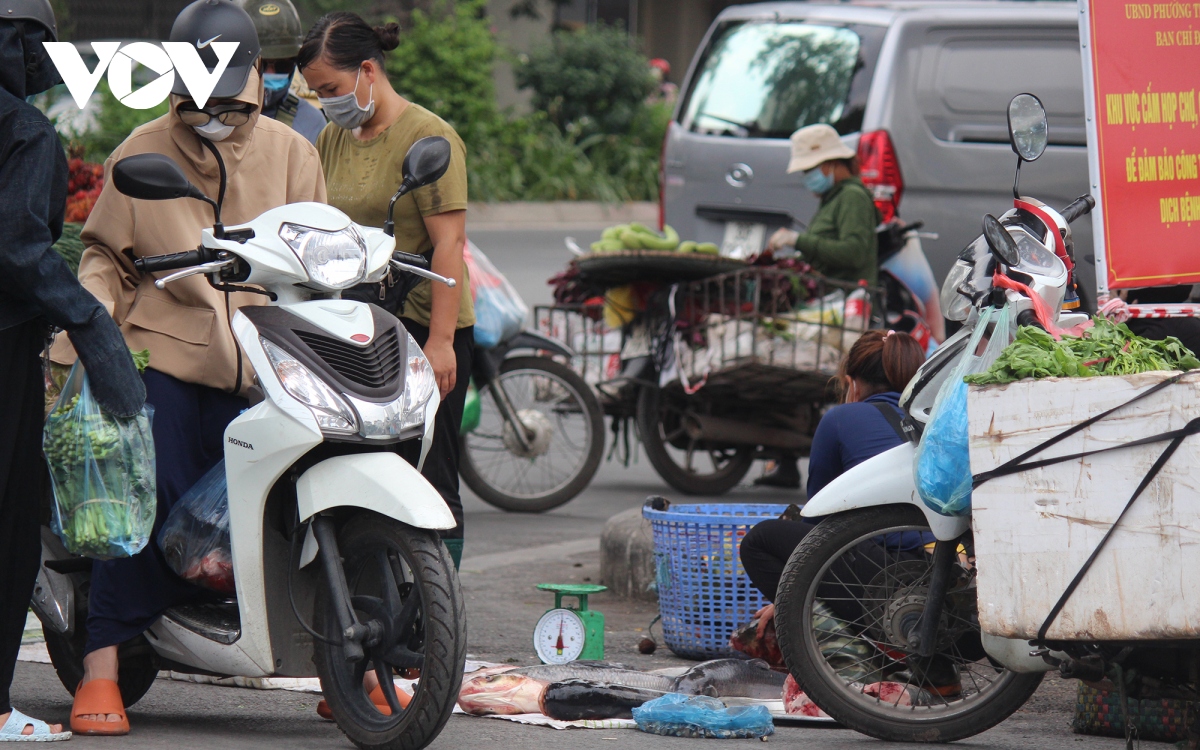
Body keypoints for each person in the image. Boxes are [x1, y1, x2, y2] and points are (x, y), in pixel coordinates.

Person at [49, 0, 326, 735]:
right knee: (142, 497)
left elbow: (317, 247)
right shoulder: (142, 146)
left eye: (229, 93)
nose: (215, 110)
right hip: (167, 354)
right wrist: (90, 333)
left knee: (312, 494)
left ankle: (352, 659)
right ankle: (102, 663)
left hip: (272, 361)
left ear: (256, 78)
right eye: (199, 93)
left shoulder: (294, 151)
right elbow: (105, 255)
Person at [0, 1, 146, 741]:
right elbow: (20, 249)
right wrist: (89, 323)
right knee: (9, 523)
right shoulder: (23, 132)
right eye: (33, 48)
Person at [298, 12, 474, 569]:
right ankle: (373, 614)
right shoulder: (331, 137)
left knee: (432, 471)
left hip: (425, 327)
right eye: (319, 93)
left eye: (331, 88)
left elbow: (450, 245)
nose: (327, 102)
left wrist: (441, 342)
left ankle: (433, 623)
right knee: (360, 468)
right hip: (358, 327)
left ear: (367, 70)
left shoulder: (429, 135)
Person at [739, 330, 925, 609]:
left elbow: (818, 524)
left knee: (760, 540)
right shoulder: (933, 417)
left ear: (852, 385)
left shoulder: (840, 418)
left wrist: (785, 599)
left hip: (892, 576)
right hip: (950, 565)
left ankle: (813, 627)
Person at [757, 123, 884, 488]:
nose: (808, 178)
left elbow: (854, 251)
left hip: (846, 307)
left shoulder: (853, 198)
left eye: (811, 170)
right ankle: (782, 458)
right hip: (825, 301)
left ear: (831, 164)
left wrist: (801, 241)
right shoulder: (833, 200)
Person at [236, 0, 326, 144]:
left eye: (283, 65)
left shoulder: (310, 121)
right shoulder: (213, 116)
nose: (271, 73)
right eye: (261, 65)